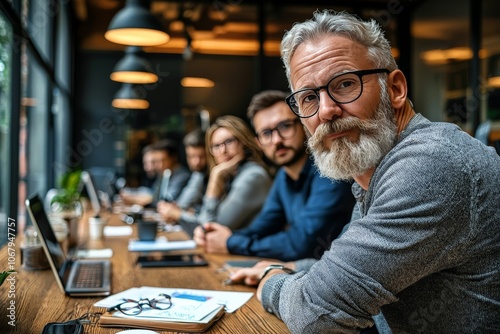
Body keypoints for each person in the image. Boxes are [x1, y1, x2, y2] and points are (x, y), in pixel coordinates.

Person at [229, 10, 500, 333]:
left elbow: (317, 316)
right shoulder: (374, 169)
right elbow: (349, 268)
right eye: (309, 97)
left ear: (396, 89)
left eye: (344, 84)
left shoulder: (431, 163)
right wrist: (285, 267)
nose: (327, 111)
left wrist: (271, 282)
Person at [194, 90, 355, 261]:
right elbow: (261, 228)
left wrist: (231, 242)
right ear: (258, 142)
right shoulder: (283, 177)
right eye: (266, 133)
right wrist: (219, 236)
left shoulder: (330, 172)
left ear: (302, 125)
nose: (276, 140)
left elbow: (302, 244)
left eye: (285, 126)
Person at [189, 115, 273, 230]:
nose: (223, 151)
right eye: (216, 146)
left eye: (229, 141)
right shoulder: (233, 175)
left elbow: (211, 228)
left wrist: (215, 177)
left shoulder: (253, 176)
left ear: (243, 141)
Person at [157, 128, 208, 222]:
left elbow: (207, 220)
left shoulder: (216, 175)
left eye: (202, 156)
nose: (196, 162)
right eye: (191, 156)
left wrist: (177, 213)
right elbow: (183, 204)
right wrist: (175, 209)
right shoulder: (198, 174)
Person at [121, 139, 190, 207]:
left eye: (163, 160)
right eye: (158, 161)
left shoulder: (182, 176)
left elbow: (166, 200)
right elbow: (154, 195)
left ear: (173, 158)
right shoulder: (165, 174)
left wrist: (134, 199)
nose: (159, 165)